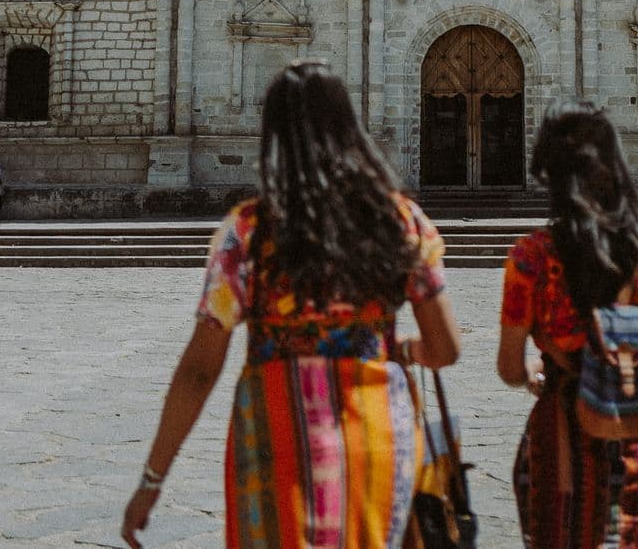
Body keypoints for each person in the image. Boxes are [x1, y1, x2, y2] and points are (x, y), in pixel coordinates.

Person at [121, 62, 461, 549]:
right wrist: (399, 349)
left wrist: (152, 480)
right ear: (350, 125)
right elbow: (445, 349)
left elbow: (199, 369)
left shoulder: (249, 231)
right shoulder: (401, 221)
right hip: (375, 426)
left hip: (273, 430)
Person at [500, 105, 638, 549]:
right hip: (634, 440)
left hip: (559, 438)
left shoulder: (532, 256)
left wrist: (538, 377)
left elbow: (509, 368)